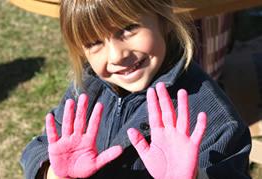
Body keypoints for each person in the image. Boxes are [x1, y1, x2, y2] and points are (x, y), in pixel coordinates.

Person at [20, 0, 251, 178]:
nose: (116, 56)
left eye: (128, 28)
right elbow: (39, 147)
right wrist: (56, 174)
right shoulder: (86, 89)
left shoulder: (211, 117)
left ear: (164, 18)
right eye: (94, 43)